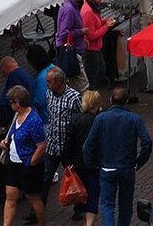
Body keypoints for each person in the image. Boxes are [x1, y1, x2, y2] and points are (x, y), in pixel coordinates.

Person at [83, 86, 153, 226]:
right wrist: (139, 162)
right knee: (126, 204)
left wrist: (92, 163)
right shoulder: (134, 119)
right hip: (127, 168)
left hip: (107, 168)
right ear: (126, 101)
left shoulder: (101, 118)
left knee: (107, 205)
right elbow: (147, 142)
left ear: (111, 99)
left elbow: (88, 145)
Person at [1, 84, 48, 226]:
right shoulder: (17, 115)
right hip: (14, 163)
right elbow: (15, 135)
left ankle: (41, 223)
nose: (10, 105)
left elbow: (41, 145)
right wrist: (6, 142)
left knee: (33, 197)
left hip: (28, 165)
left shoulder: (34, 120)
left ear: (17, 103)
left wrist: (32, 161)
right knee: (10, 196)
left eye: (11, 102)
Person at [67, 90, 106, 226]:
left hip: (78, 164)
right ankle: (89, 223)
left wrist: (67, 162)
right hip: (95, 165)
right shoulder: (101, 120)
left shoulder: (75, 119)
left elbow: (69, 143)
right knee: (93, 194)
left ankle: (79, 211)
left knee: (80, 190)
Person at [43, 69, 81, 200]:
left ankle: (79, 206)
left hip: (67, 145)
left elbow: (80, 119)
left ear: (59, 82)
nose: (47, 84)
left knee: (74, 176)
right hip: (52, 144)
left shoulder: (74, 97)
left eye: (49, 81)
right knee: (45, 177)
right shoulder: (49, 93)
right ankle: (37, 209)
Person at [80, 0, 115, 89]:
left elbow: (95, 23)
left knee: (101, 70)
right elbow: (91, 35)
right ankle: (91, 98)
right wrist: (106, 26)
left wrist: (105, 21)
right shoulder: (88, 11)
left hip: (95, 48)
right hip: (91, 49)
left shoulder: (92, 8)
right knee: (93, 75)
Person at [54, 0, 86, 82]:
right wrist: (81, 31)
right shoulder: (69, 9)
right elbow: (63, 33)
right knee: (81, 82)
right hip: (72, 50)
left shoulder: (71, 5)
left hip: (74, 47)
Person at [0, 56, 38, 128]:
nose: (2, 73)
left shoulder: (14, 77)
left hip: (21, 118)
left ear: (5, 67)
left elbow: (11, 99)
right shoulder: (25, 74)